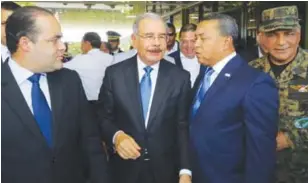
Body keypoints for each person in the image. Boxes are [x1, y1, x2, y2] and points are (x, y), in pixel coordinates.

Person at [1, 6, 109, 183]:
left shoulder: (69, 81)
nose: (62, 47)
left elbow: (90, 141)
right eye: (54, 40)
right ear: (25, 43)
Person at [98, 12, 191, 183]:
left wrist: (185, 171)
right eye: (149, 36)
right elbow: (103, 117)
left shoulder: (180, 78)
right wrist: (117, 136)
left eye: (161, 37)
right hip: (124, 169)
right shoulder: (115, 74)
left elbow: (182, 126)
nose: (156, 43)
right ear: (134, 40)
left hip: (165, 170)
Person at [190, 13, 279, 183]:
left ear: (226, 41)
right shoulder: (205, 73)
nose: (196, 45)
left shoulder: (255, 83)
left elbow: (261, 151)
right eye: (195, 39)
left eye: (202, 38)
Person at [249, 5, 308, 183]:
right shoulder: (251, 70)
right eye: (272, 35)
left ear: (298, 36)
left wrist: (290, 138)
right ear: (260, 38)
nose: (281, 42)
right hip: (260, 171)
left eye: (289, 33)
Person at [64, 32, 113, 108]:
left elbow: (61, 68)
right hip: (108, 102)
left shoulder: (80, 59)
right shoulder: (111, 58)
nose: (81, 46)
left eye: (82, 43)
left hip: (88, 104)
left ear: (87, 43)